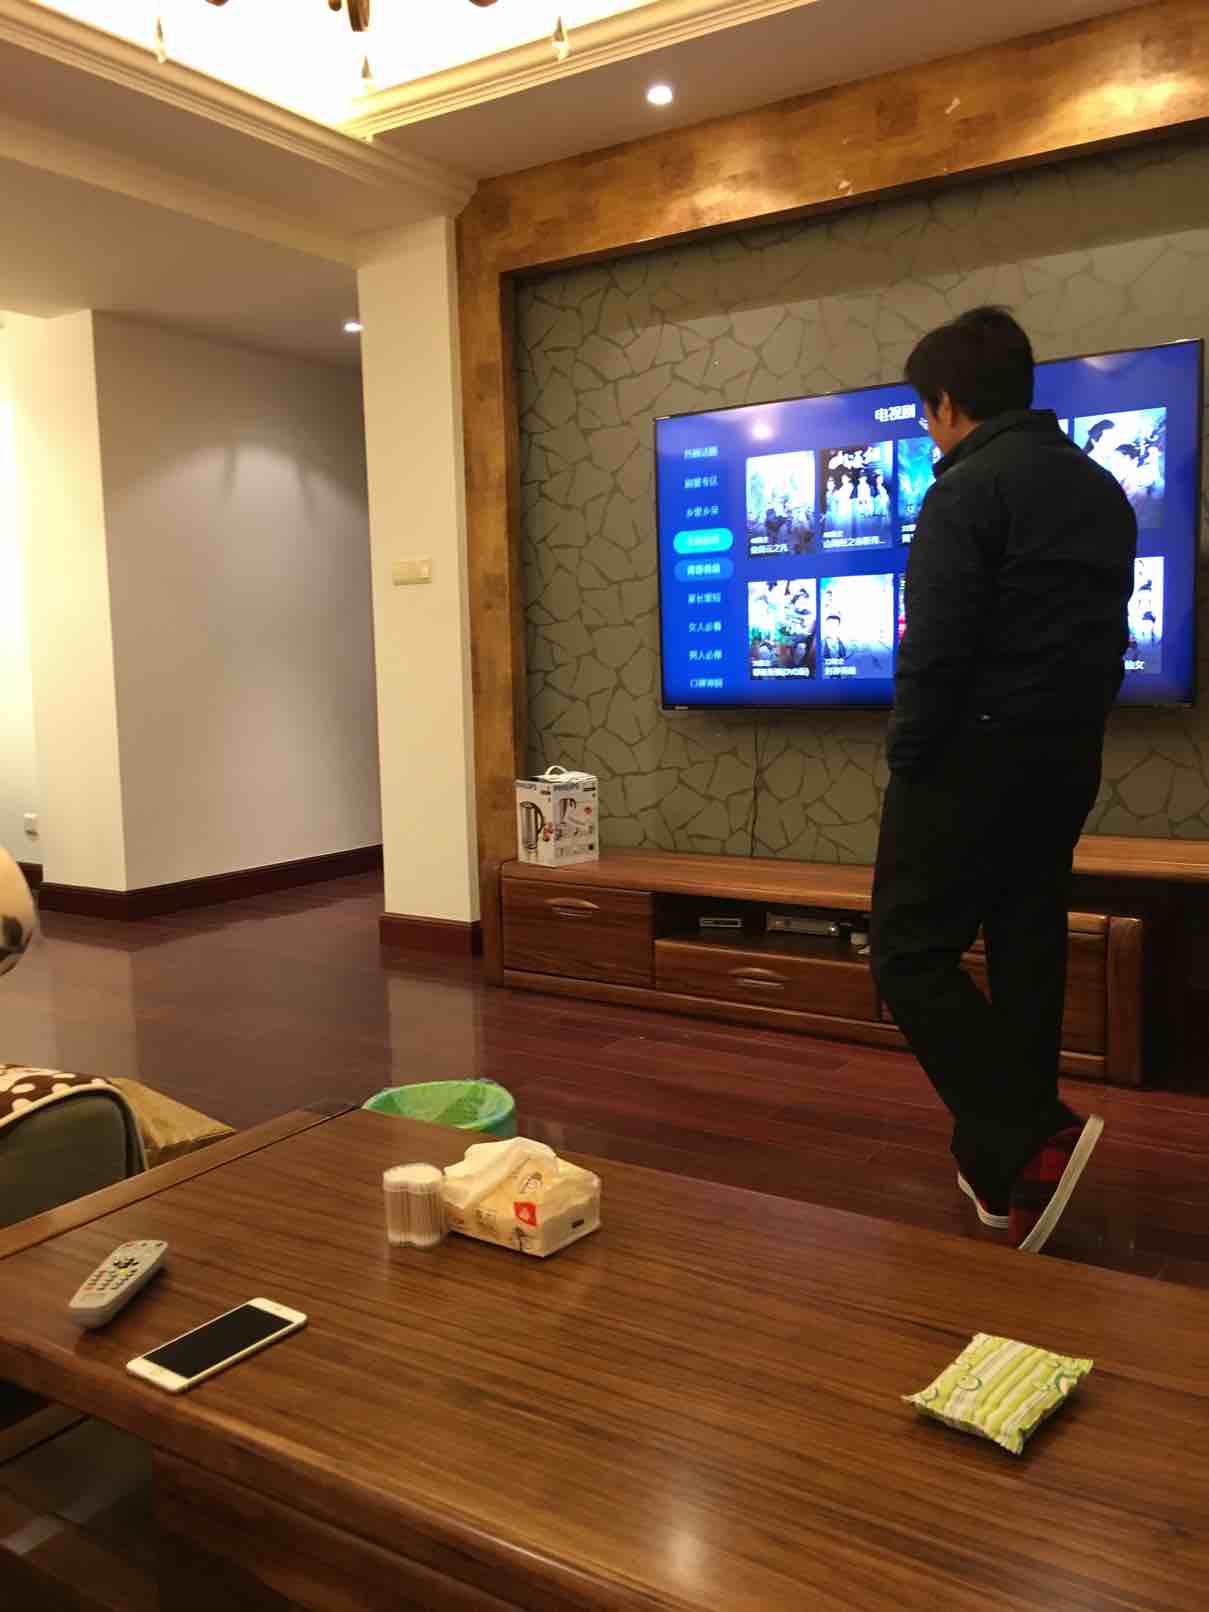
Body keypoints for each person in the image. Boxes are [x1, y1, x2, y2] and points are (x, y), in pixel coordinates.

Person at [870, 306, 1136, 1254]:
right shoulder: (1100, 487)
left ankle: (1032, 1130)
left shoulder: (966, 488)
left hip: (966, 759)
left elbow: (934, 651)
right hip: (1064, 758)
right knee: (1026, 949)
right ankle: (1004, 1173)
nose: (928, 429)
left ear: (946, 403)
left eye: (924, 412)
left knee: (907, 956)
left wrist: (908, 758)